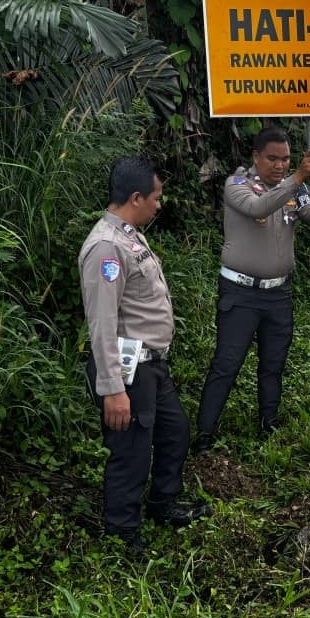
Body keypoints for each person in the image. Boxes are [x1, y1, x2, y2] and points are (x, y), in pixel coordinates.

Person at [79, 156, 206, 554]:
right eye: (156, 197)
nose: (159, 204)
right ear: (136, 197)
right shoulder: (107, 248)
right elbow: (102, 323)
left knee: (175, 432)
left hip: (152, 365)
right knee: (130, 453)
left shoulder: (129, 234)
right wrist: (113, 389)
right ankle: (122, 533)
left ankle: (163, 503)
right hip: (127, 371)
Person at [194, 127, 310, 453]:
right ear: (256, 156)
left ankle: (268, 425)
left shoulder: (294, 191)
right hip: (240, 293)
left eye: (286, 159)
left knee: (273, 364)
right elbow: (259, 208)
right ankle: (203, 435)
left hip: (279, 294)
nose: (280, 165)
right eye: (273, 158)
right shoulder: (238, 185)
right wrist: (298, 176)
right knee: (226, 364)